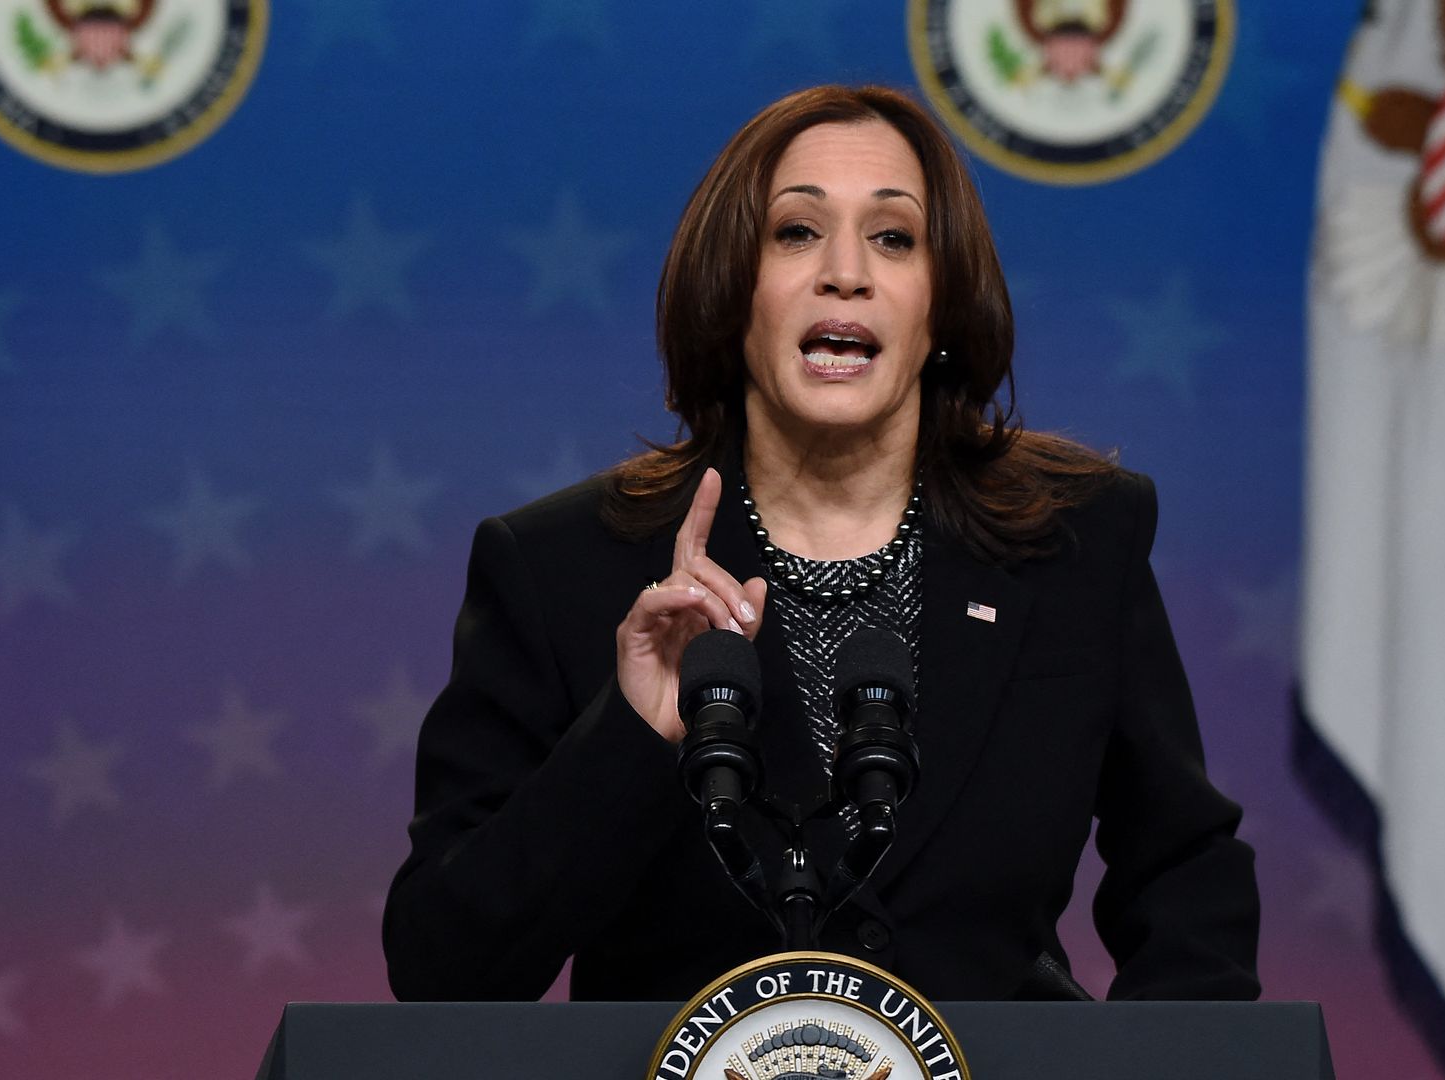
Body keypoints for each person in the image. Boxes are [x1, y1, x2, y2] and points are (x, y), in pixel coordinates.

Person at [382, 85, 1259, 1003]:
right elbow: (442, 968)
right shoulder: (563, 566)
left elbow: (1186, 877)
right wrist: (629, 737)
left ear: (942, 303)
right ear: (732, 289)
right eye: (796, 232)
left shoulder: (1077, 540)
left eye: (894, 238)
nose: (846, 272)